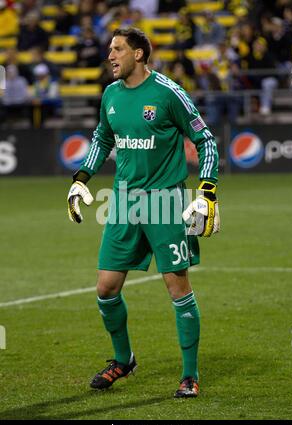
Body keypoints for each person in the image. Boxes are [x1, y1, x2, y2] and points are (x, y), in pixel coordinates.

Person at [67, 27, 220, 398]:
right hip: (122, 202)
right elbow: (103, 137)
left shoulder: (167, 93)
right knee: (106, 288)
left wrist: (207, 193)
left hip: (165, 202)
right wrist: (81, 178)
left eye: (117, 48)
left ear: (138, 54)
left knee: (176, 286)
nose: (110, 55)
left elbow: (205, 140)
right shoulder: (110, 95)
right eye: (109, 49)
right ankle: (123, 360)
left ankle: (189, 374)